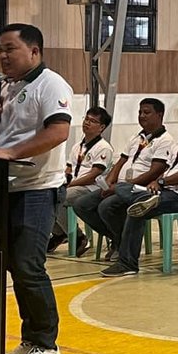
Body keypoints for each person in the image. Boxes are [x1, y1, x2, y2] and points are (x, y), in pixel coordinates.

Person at [0, 23, 73, 354]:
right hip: (6, 187)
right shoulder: (7, 87)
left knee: (29, 266)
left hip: (38, 188)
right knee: (14, 267)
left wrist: (11, 153)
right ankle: (31, 339)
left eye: (10, 49)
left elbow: (58, 131)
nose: (2, 56)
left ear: (34, 51)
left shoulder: (51, 84)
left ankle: (48, 346)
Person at [104, 103, 178, 276]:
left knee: (135, 208)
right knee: (125, 191)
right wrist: (155, 182)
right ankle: (143, 198)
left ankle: (127, 264)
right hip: (164, 192)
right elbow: (166, 169)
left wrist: (161, 182)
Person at [77, 98, 172, 263]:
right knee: (82, 204)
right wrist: (109, 182)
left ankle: (121, 244)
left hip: (140, 189)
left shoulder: (165, 140)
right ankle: (118, 238)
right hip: (120, 186)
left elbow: (155, 171)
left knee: (107, 206)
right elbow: (120, 162)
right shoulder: (136, 138)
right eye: (140, 112)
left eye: (147, 112)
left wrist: (126, 186)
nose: (142, 115)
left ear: (159, 115)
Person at [49, 105, 112, 251]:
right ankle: (59, 233)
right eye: (86, 119)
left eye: (93, 121)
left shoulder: (103, 147)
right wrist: (61, 181)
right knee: (47, 195)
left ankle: (79, 237)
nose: (87, 123)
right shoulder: (77, 146)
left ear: (102, 127)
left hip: (91, 189)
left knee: (61, 198)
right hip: (74, 185)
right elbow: (69, 169)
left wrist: (69, 185)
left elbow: (93, 176)